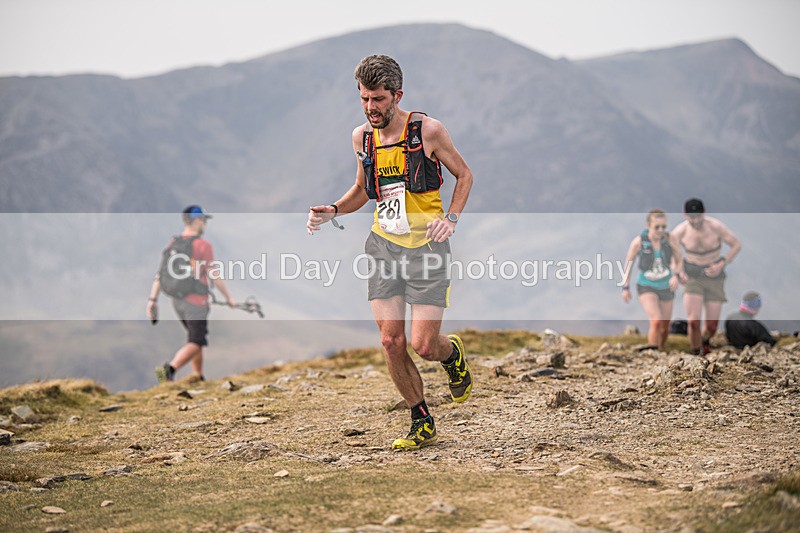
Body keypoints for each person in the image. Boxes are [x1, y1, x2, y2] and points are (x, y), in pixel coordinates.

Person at [306, 55, 474, 450]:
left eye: (378, 99)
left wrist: (451, 217)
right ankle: (421, 420)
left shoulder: (428, 131)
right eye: (364, 99)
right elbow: (364, 189)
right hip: (384, 246)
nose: (371, 108)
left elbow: (464, 175)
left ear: (397, 95)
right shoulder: (361, 137)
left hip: (428, 249)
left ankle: (452, 356)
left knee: (424, 345)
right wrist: (333, 210)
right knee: (390, 341)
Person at [146, 205, 235, 382]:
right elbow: (214, 274)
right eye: (203, 221)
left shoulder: (173, 244)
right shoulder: (202, 245)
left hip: (177, 301)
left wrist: (152, 300)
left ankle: (198, 375)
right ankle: (169, 369)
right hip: (196, 302)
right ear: (197, 221)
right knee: (197, 341)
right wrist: (229, 298)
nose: (204, 225)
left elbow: (160, 273)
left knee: (194, 338)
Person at [672, 198, 741, 355]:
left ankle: (705, 340)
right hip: (692, 276)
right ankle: (695, 351)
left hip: (714, 276)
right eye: (692, 217)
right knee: (693, 320)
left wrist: (722, 263)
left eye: (698, 216)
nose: (695, 221)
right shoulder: (680, 231)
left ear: (704, 212)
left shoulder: (715, 227)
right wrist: (678, 270)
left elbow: (736, 244)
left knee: (711, 326)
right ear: (685, 214)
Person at [621, 209, 683, 350]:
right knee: (656, 321)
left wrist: (676, 275)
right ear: (648, 225)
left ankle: (660, 348)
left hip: (666, 286)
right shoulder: (638, 243)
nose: (661, 230)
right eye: (657, 227)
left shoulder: (670, 239)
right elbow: (628, 265)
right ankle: (653, 352)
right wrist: (625, 287)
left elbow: (679, 260)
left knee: (664, 327)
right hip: (646, 285)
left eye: (663, 227)